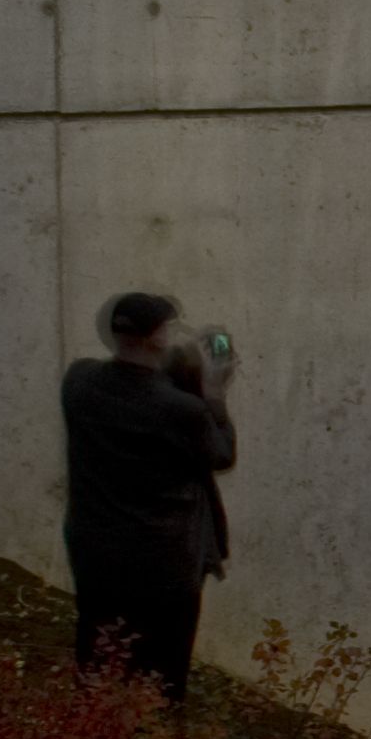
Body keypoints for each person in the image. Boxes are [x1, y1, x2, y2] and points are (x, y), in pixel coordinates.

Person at [59, 292, 235, 696]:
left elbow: (134, 390)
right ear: (157, 338)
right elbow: (221, 453)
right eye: (172, 328)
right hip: (163, 564)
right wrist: (213, 390)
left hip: (96, 555)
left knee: (99, 661)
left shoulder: (78, 381)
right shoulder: (184, 410)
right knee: (162, 674)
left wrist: (181, 373)